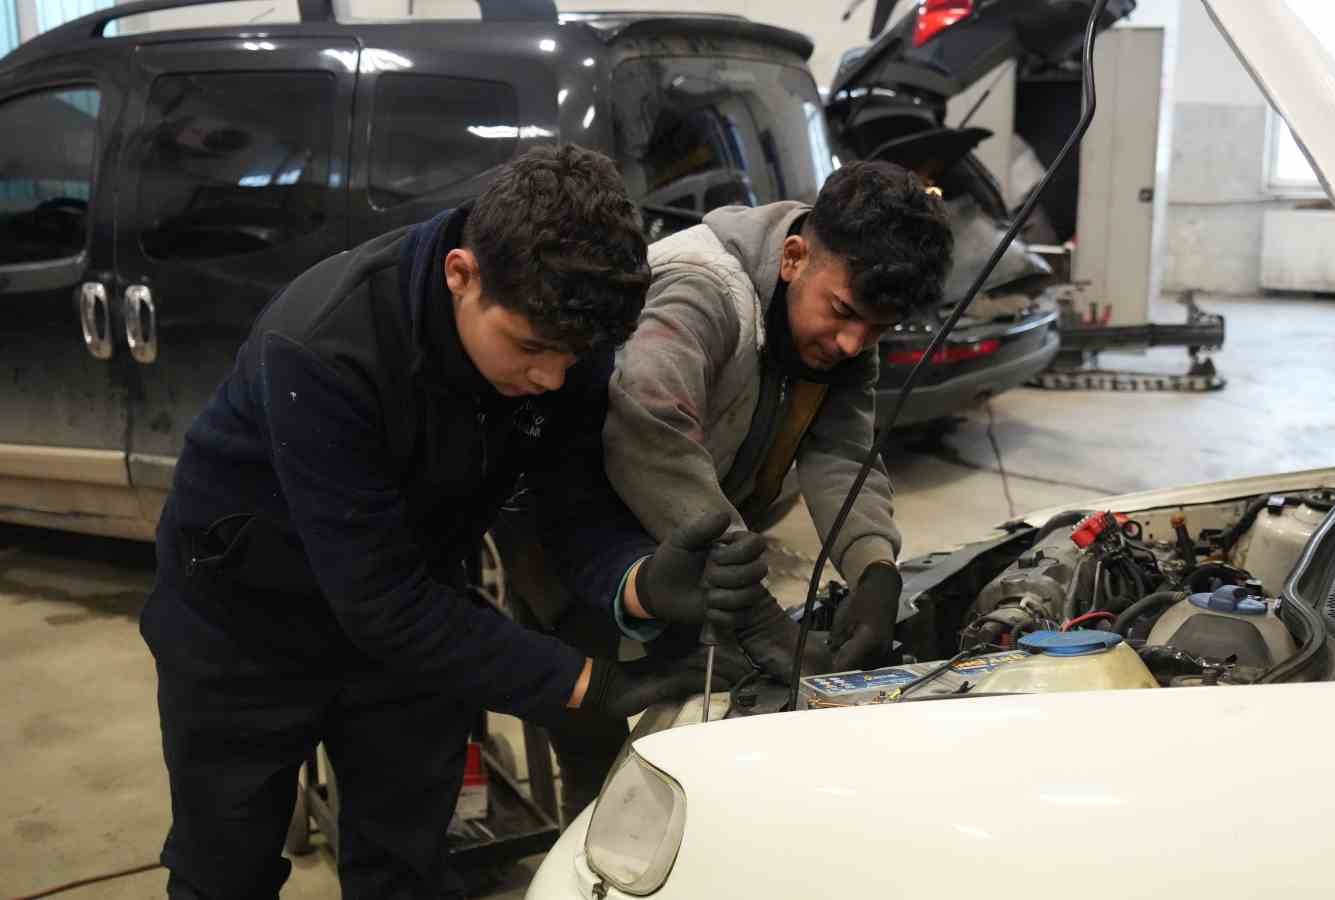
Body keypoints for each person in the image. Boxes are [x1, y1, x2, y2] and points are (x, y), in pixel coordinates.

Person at [139, 143, 765, 899]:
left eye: (573, 357)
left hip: (413, 610)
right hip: (244, 629)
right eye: (531, 348)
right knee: (224, 870)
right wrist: (587, 685)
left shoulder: (564, 321)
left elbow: (569, 506)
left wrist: (641, 584)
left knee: (406, 864)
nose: (551, 378)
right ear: (461, 274)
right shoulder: (323, 349)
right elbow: (380, 600)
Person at [604, 160, 954, 676]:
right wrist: (757, 615)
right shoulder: (702, 289)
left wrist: (874, 569)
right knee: (607, 734)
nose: (854, 342)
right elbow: (648, 427)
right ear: (794, 257)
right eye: (842, 311)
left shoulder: (843, 337)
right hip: (594, 547)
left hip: (690, 557)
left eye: (879, 328)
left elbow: (840, 453)